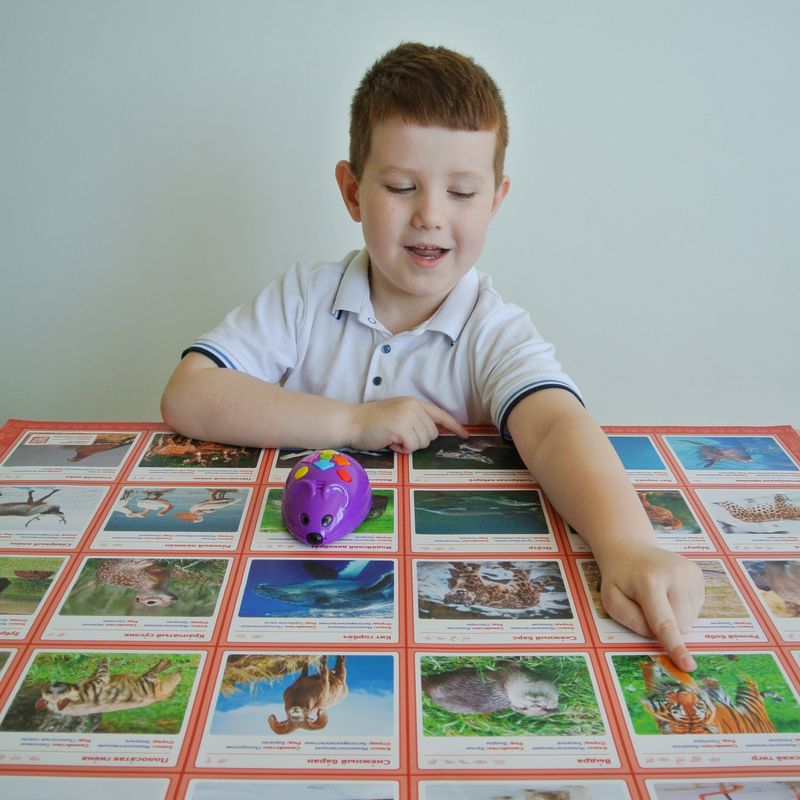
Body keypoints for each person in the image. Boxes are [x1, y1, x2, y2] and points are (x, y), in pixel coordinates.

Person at [161, 42, 704, 669]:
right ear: (352, 192)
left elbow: (556, 424)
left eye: (462, 193)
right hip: (287, 579)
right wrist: (354, 421)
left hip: (445, 601)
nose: (430, 216)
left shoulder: (492, 327)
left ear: (496, 200)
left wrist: (628, 544)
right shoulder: (303, 298)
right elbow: (189, 395)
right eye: (401, 187)